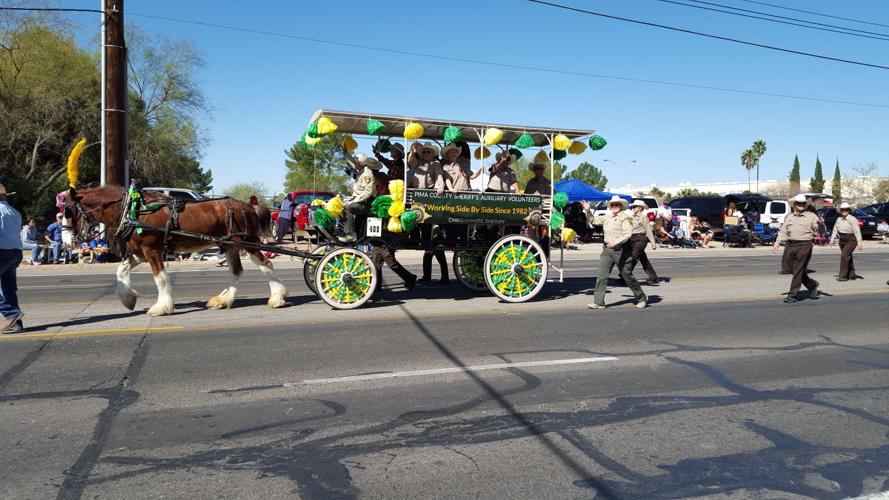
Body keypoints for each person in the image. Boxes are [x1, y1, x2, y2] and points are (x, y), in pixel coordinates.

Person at [583, 195, 647, 309]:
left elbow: (627, 234)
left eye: (616, 204)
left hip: (620, 251)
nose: (614, 206)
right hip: (607, 250)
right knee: (601, 276)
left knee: (627, 276)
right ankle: (598, 302)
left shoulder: (625, 218)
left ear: (621, 206)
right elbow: (593, 220)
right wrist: (588, 210)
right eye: (612, 205)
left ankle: (641, 298)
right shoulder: (607, 217)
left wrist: (616, 242)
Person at [407, 142, 448, 283]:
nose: (426, 154)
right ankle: (429, 276)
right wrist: (413, 150)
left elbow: (439, 177)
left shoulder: (436, 164)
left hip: (429, 199)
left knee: (434, 244)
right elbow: (410, 162)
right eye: (424, 152)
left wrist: (440, 186)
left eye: (428, 152)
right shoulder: (417, 162)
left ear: (433, 153)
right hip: (416, 199)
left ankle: (443, 277)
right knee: (428, 245)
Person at [773, 194, 820, 303]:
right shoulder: (789, 217)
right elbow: (783, 231)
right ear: (794, 205)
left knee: (798, 269)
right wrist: (777, 242)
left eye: (803, 203)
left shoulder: (811, 216)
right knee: (789, 268)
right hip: (790, 245)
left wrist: (819, 227)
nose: (801, 205)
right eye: (799, 203)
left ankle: (792, 295)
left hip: (805, 245)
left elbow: (817, 228)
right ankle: (812, 284)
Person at [0, 184, 24, 332]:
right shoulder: (14, 212)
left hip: (1, 251)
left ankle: (11, 313)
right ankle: (15, 323)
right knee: (8, 288)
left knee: (7, 288)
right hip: (15, 252)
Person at [342, 154, 379, 242]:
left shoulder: (367, 173)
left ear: (360, 164)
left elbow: (368, 192)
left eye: (355, 163)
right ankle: (350, 232)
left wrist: (353, 201)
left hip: (367, 204)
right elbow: (351, 160)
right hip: (362, 202)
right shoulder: (361, 171)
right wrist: (345, 152)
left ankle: (351, 234)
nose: (354, 165)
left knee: (348, 207)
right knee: (343, 205)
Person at [830, 202, 863, 281]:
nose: (844, 211)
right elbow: (835, 229)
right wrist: (832, 239)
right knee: (848, 256)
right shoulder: (838, 219)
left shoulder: (852, 219)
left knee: (844, 256)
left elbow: (857, 231)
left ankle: (843, 276)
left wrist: (859, 242)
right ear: (840, 211)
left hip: (851, 239)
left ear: (849, 210)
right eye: (842, 210)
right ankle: (852, 274)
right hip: (842, 239)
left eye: (846, 210)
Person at [627, 199, 658, 283]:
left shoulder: (644, 217)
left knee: (633, 257)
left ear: (640, 208)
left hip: (640, 239)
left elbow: (648, 229)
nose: (633, 208)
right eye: (633, 206)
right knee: (643, 258)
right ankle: (653, 276)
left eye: (635, 206)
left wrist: (653, 243)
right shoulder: (632, 217)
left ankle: (624, 275)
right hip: (632, 238)